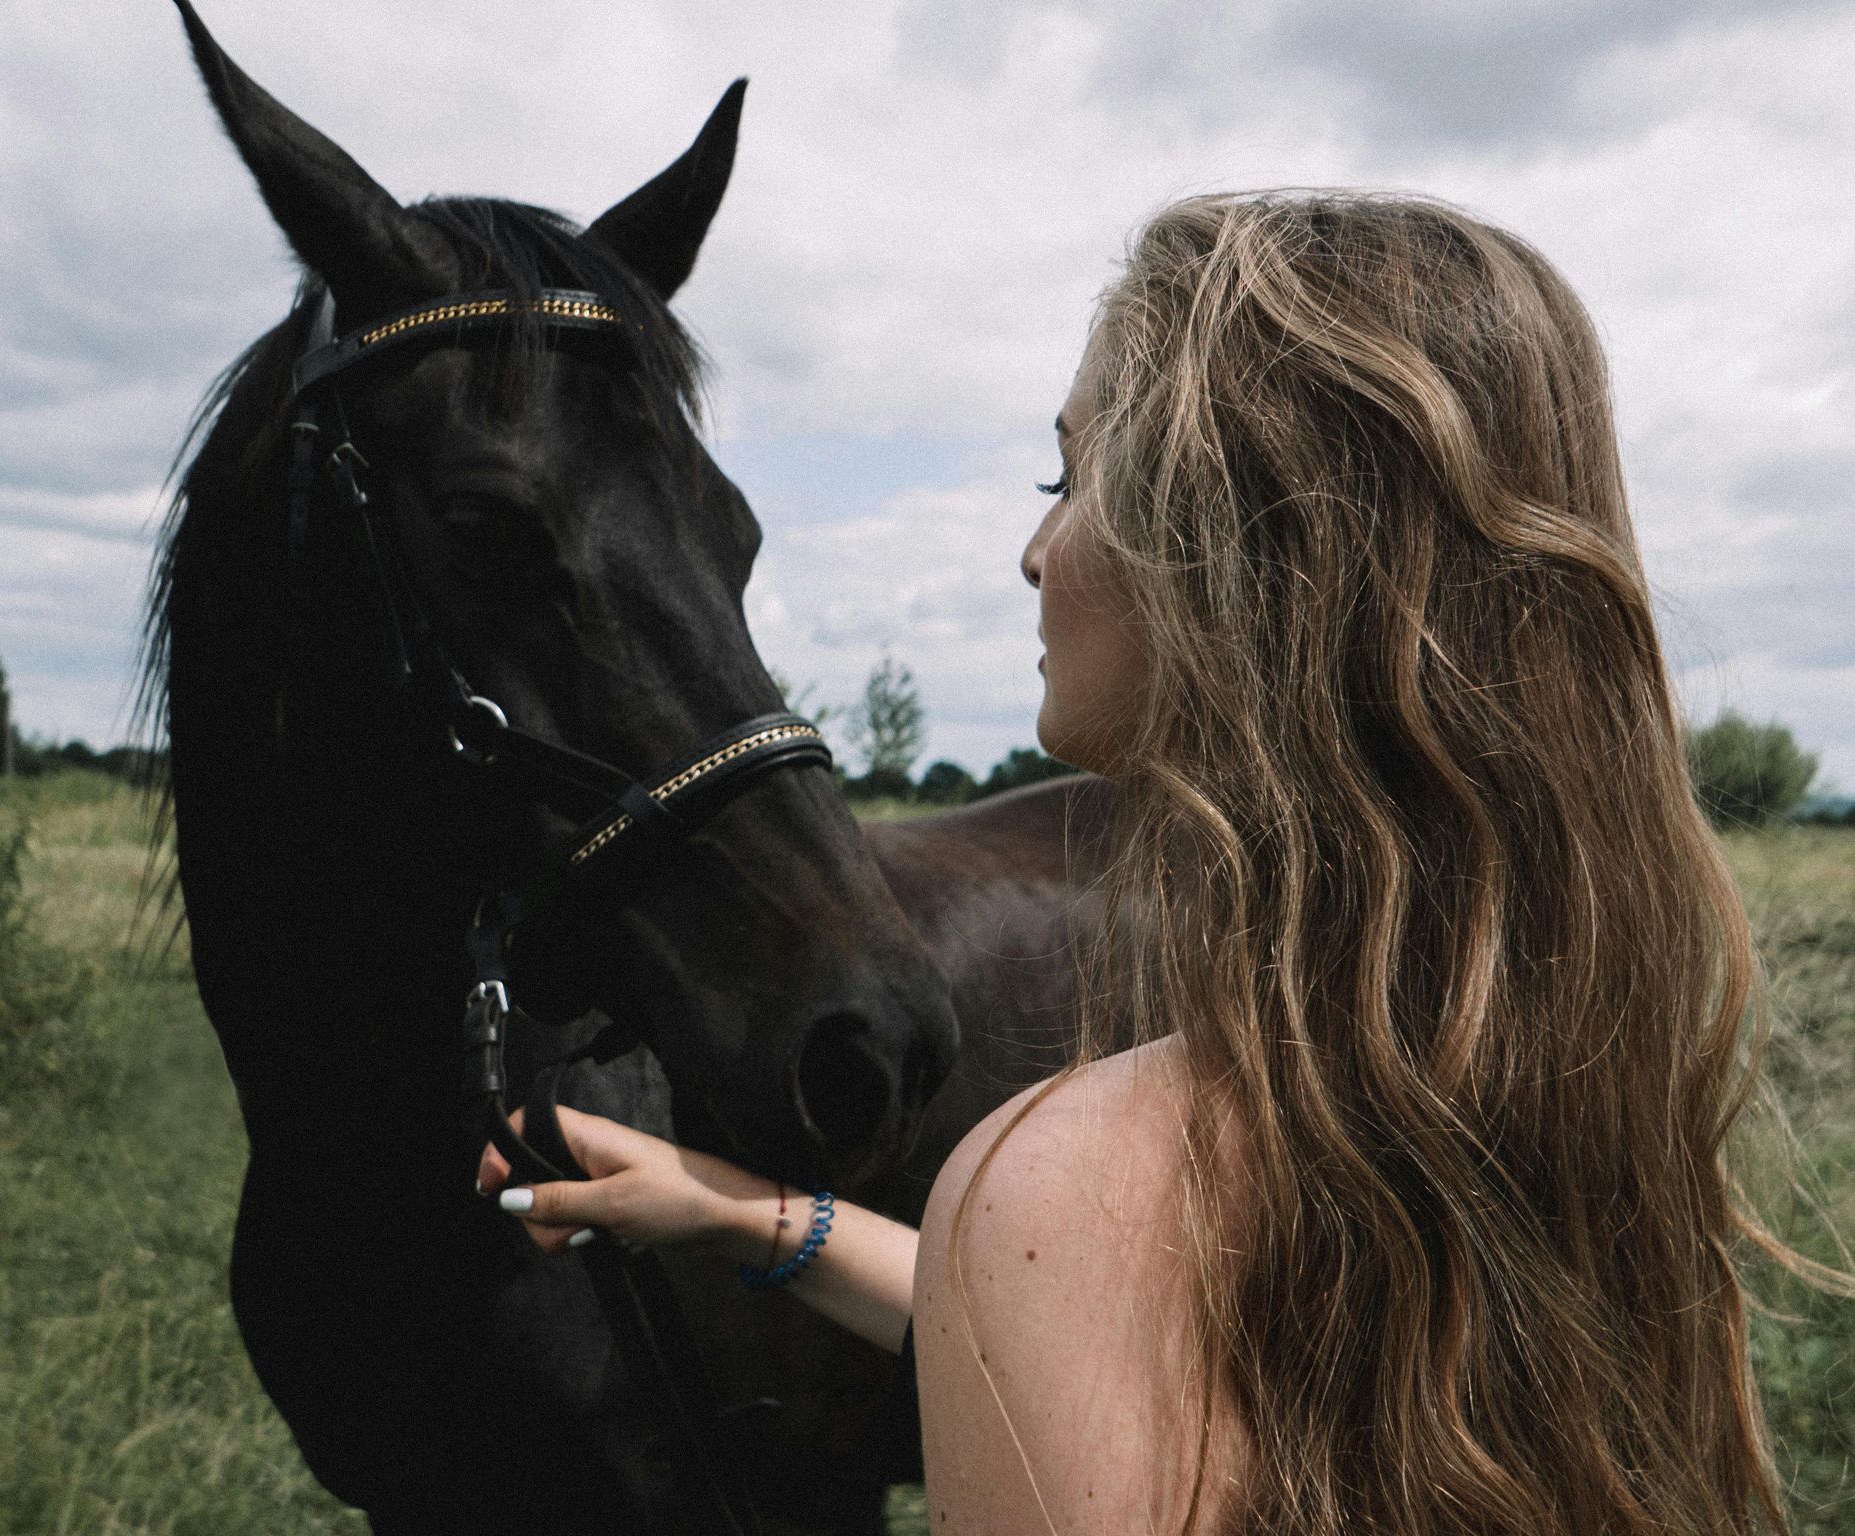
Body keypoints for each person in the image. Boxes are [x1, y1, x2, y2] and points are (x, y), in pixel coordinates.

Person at [478, 191, 1812, 1534]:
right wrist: (735, 1212)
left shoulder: (1072, 1174)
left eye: (1072, 477)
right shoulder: (1571, 1070)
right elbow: (1071, 1318)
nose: (1034, 551)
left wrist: (1001, 1212)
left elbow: (1055, 1272)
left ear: (1244, 549)